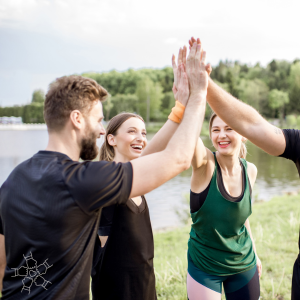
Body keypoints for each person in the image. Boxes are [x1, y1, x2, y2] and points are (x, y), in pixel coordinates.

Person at [0, 41, 208, 299]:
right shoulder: (83, 180)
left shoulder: (13, 180)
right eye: (98, 121)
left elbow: (2, 263)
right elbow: (177, 159)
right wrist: (198, 97)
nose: (101, 130)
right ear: (77, 119)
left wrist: (179, 110)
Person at [188, 37, 300, 299]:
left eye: (230, 128)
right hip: (206, 267)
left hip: (244, 263)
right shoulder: (204, 164)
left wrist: (256, 253)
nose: (222, 135)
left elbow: (242, 218)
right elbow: (188, 139)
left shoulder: (251, 170)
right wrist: (194, 95)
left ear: (244, 135)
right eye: (215, 130)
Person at [91, 52, 191, 300]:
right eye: (132, 131)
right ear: (111, 139)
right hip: (116, 287)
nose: (141, 138)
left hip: (144, 282)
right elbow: (101, 243)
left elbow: (156, 146)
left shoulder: (134, 176)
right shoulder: (106, 180)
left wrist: (181, 106)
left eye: (144, 132)